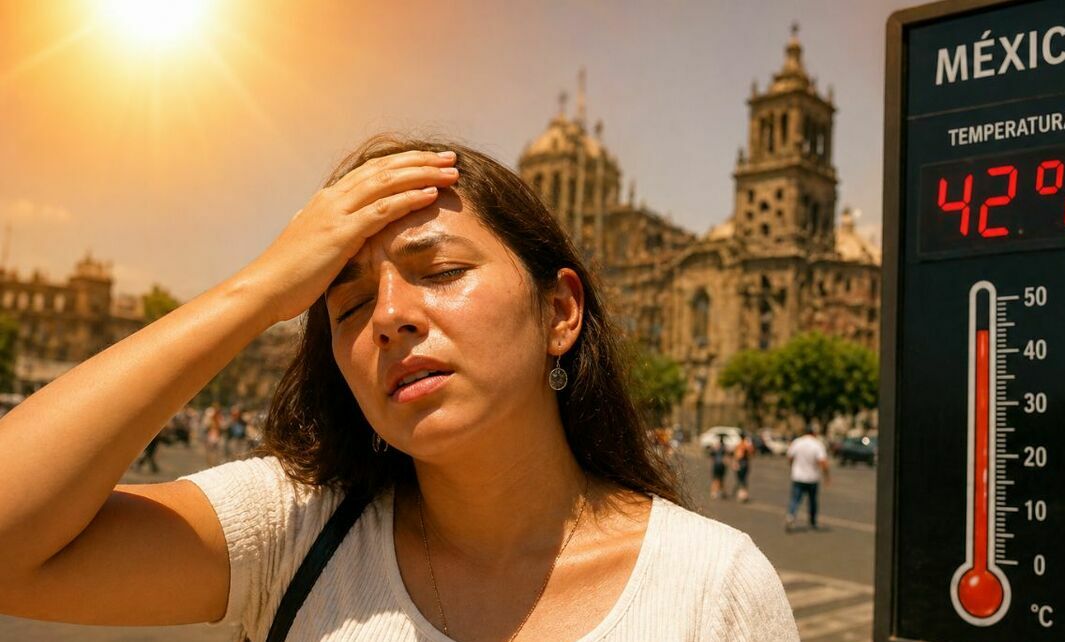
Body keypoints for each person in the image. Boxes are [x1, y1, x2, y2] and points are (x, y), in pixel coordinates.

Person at [0, 136, 799, 641]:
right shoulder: (293, 531)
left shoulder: (714, 589)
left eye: (441, 271)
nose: (388, 316)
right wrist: (261, 290)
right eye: (347, 305)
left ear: (560, 311)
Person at [786, 425, 830, 531]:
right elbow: (823, 462)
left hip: (798, 476)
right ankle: (812, 521)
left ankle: (791, 516)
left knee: (795, 499)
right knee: (812, 501)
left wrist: (793, 466)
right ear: (814, 433)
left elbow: (790, 457)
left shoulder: (797, 442)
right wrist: (826, 476)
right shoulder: (817, 444)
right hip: (812, 477)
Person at [733, 429, 754, 503]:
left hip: (741, 463)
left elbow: (739, 455)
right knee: (744, 479)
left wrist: (736, 462)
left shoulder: (741, 445)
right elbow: (752, 453)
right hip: (746, 463)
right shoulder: (747, 444)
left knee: (741, 479)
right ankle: (744, 494)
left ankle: (742, 495)